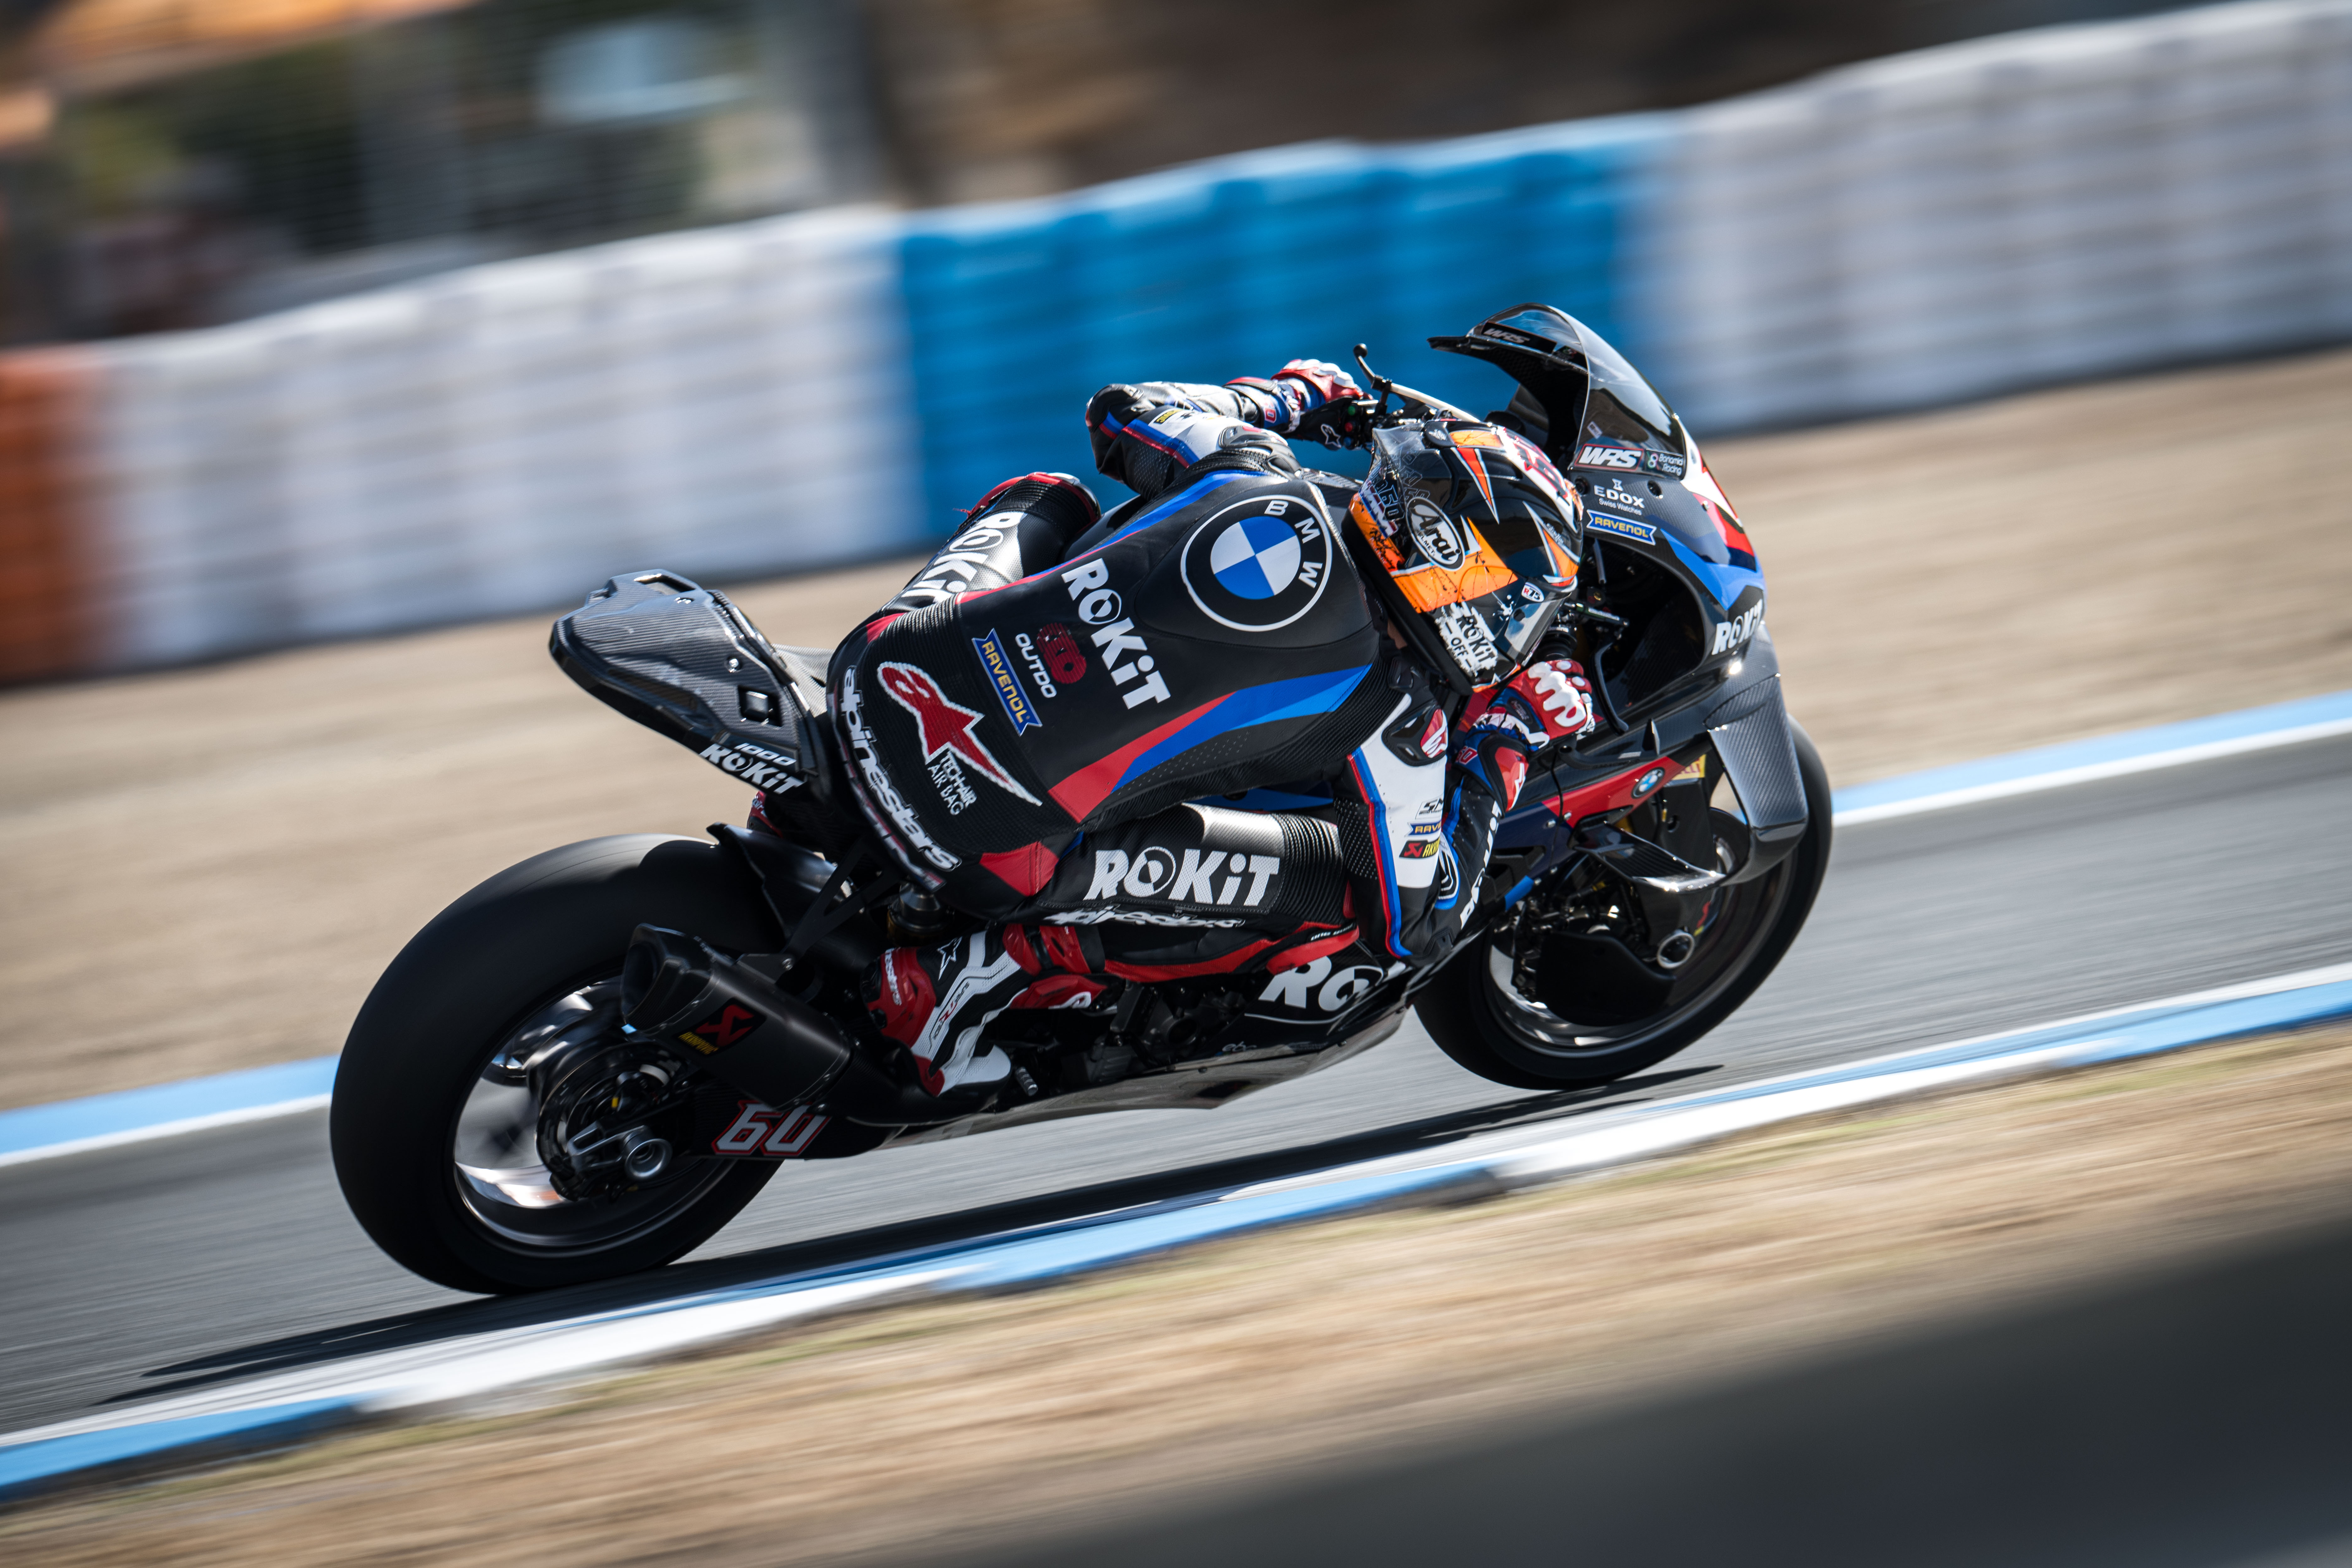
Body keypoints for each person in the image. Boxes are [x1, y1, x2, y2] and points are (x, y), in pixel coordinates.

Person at [801, 307, 1602, 1097]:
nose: (1512, 622)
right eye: (1512, 596)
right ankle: (976, 976)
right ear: (1451, 561)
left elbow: (1122, 410)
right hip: (977, 843)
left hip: (874, 676)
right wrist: (1504, 742)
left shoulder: (1247, 467)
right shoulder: (1396, 712)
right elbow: (1417, 926)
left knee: (1049, 495)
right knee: (1341, 895)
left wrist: (1291, 398)